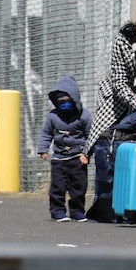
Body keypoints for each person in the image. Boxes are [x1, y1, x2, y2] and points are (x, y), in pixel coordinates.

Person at [85, 10, 136, 221]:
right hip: (116, 101)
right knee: (106, 144)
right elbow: (118, 81)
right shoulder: (122, 42)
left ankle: (134, 204)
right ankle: (105, 206)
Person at [37, 75, 93, 222]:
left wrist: (86, 154)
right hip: (59, 159)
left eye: (67, 100)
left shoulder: (84, 116)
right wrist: (43, 149)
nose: (64, 104)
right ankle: (57, 211)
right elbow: (46, 133)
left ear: (75, 99)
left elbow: (90, 137)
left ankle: (77, 211)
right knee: (57, 187)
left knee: (78, 188)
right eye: (60, 101)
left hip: (77, 158)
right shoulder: (53, 116)